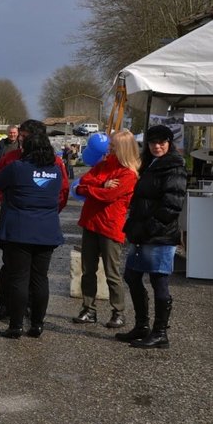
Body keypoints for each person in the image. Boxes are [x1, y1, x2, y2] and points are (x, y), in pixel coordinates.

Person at [0, 119, 69, 321]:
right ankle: (6, 304)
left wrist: (47, 211)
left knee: (34, 275)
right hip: (15, 216)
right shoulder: (10, 158)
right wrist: (9, 205)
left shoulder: (55, 162)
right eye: (20, 136)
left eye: (24, 137)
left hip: (33, 220)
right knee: (10, 267)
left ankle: (30, 309)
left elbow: (62, 193)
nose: (20, 141)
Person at [117, 124, 186, 349]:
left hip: (159, 235)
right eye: (153, 142)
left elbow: (172, 205)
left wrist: (150, 228)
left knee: (159, 281)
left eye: (162, 142)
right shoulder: (149, 164)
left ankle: (160, 333)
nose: (157, 146)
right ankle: (142, 325)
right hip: (142, 233)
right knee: (132, 276)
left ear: (169, 143)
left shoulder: (174, 167)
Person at [72, 129, 140, 328]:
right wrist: (102, 184)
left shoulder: (128, 174)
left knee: (112, 272)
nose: (109, 149)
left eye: (113, 146)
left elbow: (107, 197)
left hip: (110, 226)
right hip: (91, 222)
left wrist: (94, 189)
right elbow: (82, 184)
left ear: (123, 148)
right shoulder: (103, 165)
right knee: (88, 270)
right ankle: (88, 309)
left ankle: (118, 312)